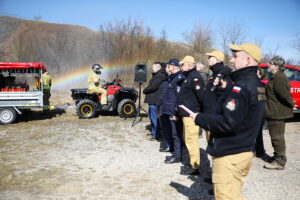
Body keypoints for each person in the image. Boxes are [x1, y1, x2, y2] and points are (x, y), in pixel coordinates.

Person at [190, 43, 266, 200]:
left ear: (247, 61)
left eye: (236, 56)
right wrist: (225, 91)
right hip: (242, 151)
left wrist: (199, 118)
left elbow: (227, 122)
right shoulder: (255, 84)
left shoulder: (242, 86)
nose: (231, 60)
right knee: (234, 195)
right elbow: (242, 115)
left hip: (230, 155)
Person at [263, 56, 294, 170]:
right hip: (274, 112)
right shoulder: (274, 77)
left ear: (276, 66)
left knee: (277, 137)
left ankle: (279, 162)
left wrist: (291, 103)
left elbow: (284, 95)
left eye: (270, 63)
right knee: (275, 137)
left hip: (278, 113)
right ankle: (277, 156)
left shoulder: (279, 78)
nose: (268, 65)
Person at [177, 56, 204, 175]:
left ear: (188, 65)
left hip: (191, 114)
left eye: (182, 65)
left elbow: (201, 96)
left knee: (192, 140)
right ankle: (192, 163)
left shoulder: (195, 77)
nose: (181, 67)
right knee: (188, 139)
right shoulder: (189, 77)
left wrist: (199, 113)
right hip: (186, 114)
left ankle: (195, 166)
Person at [161, 58, 185, 164]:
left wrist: (176, 112)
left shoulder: (179, 78)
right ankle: (175, 153)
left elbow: (179, 97)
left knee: (176, 134)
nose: (167, 67)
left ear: (173, 66)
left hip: (174, 111)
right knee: (172, 133)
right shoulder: (172, 78)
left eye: (168, 65)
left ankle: (177, 156)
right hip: (169, 109)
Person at [143, 62, 168, 140]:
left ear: (158, 68)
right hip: (152, 100)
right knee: (151, 116)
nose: (152, 68)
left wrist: (145, 90)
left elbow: (153, 87)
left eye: (153, 67)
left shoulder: (160, 76)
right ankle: (154, 132)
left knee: (154, 117)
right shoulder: (156, 75)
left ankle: (156, 134)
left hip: (155, 100)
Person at [203, 50, 232, 114]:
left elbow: (225, 97)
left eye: (210, 57)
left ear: (218, 60)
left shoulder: (223, 74)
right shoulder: (215, 73)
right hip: (208, 113)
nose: (208, 59)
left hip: (215, 116)